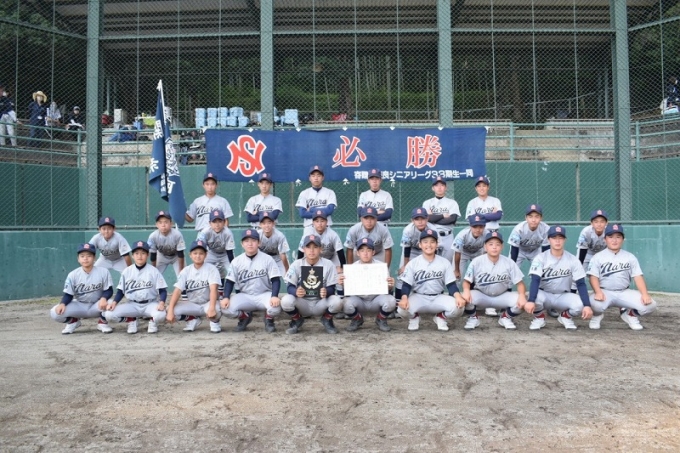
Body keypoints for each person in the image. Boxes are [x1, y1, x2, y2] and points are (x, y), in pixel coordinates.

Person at [587, 223, 657, 330]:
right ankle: (597, 316)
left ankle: (630, 315)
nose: (614, 240)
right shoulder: (597, 257)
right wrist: (598, 292)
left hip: (624, 292)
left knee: (651, 305)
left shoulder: (630, 257)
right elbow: (593, 277)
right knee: (594, 304)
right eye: (611, 237)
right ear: (605, 239)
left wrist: (645, 294)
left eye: (618, 237)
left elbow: (638, 276)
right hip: (605, 291)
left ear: (623, 240)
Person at [525, 225, 593, 330]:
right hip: (544, 294)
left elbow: (580, 283)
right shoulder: (540, 258)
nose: (557, 241)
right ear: (548, 240)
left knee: (580, 305)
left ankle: (565, 317)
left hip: (563, 295)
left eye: (560, 238)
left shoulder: (573, 259)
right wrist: (531, 300)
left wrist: (587, 305)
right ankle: (539, 317)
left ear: (565, 240)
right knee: (534, 298)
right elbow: (535, 280)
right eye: (554, 238)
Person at [396, 228, 466, 331]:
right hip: (419, 297)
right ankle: (414, 317)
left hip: (438, 297)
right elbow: (406, 285)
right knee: (401, 309)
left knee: (459, 307)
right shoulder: (413, 263)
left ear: (437, 244)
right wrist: (404, 298)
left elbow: (451, 285)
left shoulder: (444, 262)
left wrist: (458, 296)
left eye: (432, 242)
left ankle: (440, 317)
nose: (429, 245)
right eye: (425, 242)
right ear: (420, 245)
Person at [461, 231, 529, 330]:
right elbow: (466, 282)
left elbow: (520, 284)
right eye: (491, 244)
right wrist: (466, 291)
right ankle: (473, 317)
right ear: (485, 247)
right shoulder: (477, 261)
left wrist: (522, 296)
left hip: (502, 296)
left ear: (502, 247)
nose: (494, 247)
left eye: (497, 244)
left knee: (523, 301)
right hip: (482, 296)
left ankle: (506, 317)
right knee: (464, 296)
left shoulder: (509, 262)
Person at [220, 229, 283, 333]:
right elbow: (230, 281)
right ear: (242, 244)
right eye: (246, 241)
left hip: (264, 294)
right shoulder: (236, 261)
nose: (250, 244)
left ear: (259, 243)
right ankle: (245, 317)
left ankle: (268, 319)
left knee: (275, 307)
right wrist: (226, 297)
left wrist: (274, 296)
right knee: (225, 308)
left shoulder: (267, 259)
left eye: (253, 240)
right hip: (245, 296)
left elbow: (276, 279)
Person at [281, 234, 344, 334]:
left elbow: (332, 288)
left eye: (315, 247)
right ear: (303, 249)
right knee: (286, 300)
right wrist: (295, 291)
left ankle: (326, 319)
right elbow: (289, 287)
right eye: (308, 247)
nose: (311, 250)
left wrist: (326, 291)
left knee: (337, 301)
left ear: (321, 249)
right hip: (303, 302)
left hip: (320, 302)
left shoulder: (328, 264)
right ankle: (297, 320)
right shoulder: (297, 264)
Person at [104, 240, 168, 334]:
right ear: (132, 256)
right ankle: (131, 320)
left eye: (143, 253)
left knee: (161, 315)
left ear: (148, 255)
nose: (140, 256)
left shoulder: (154, 271)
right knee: (109, 315)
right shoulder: (127, 271)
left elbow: (162, 290)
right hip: (132, 305)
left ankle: (153, 322)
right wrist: (114, 303)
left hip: (150, 304)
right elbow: (121, 291)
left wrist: (161, 303)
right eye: (137, 253)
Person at [49, 243, 114, 334]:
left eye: (89, 256)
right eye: (82, 256)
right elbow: (68, 294)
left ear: (94, 258)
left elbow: (109, 290)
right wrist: (63, 303)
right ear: (78, 259)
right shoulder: (73, 275)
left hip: (97, 305)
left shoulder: (103, 271)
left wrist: (104, 298)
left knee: (111, 303)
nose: (85, 258)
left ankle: (102, 323)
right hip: (80, 305)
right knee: (54, 312)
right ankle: (73, 322)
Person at [465, 175, 503, 316]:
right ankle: (473, 300)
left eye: (484, 185)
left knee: (491, 269)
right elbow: (471, 219)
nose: (482, 188)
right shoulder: (472, 202)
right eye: (479, 186)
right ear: (476, 188)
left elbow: (498, 216)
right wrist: (489, 215)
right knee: (478, 268)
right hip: (479, 235)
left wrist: (480, 216)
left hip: (493, 235)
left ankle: (490, 304)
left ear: (488, 187)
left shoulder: (495, 200)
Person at [165, 240, 222, 333]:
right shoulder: (186, 271)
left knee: (217, 308)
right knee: (169, 310)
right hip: (192, 304)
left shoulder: (211, 269)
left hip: (208, 303)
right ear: (190, 255)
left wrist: (211, 308)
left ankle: (214, 322)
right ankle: (192, 319)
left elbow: (213, 289)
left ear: (206, 255)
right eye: (195, 253)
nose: (198, 256)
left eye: (201, 253)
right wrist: (171, 310)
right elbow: (177, 291)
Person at [340, 238, 395, 332]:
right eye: (362, 250)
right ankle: (357, 319)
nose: (365, 253)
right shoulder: (352, 268)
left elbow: (387, 288)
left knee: (391, 301)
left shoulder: (381, 266)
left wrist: (390, 285)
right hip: (359, 300)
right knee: (344, 303)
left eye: (368, 250)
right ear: (357, 253)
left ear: (373, 252)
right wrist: (343, 284)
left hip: (376, 300)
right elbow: (347, 290)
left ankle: (381, 319)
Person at [394, 207, 438, 300]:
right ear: (412, 220)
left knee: (431, 273)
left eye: (422, 218)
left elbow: (435, 248)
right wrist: (405, 265)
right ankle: (398, 301)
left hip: (427, 251)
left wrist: (434, 262)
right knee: (402, 275)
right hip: (412, 251)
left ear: (427, 219)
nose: (420, 221)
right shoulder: (408, 230)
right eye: (417, 219)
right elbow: (406, 248)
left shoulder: (433, 229)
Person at [197, 209, 235, 296]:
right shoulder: (205, 232)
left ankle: (232, 294)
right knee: (202, 270)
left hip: (225, 254)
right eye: (214, 222)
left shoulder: (227, 233)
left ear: (224, 222)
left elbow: (229, 252)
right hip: (211, 253)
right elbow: (200, 247)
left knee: (233, 272)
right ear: (210, 223)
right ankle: (202, 292)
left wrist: (232, 266)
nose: (217, 224)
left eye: (220, 221)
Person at [422, 176, 460, 261]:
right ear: (433, 188)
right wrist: (442, 215)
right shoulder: (427, 203)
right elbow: (427, 219)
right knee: (431, 261)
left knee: (448, 262)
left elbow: (452, 219)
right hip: (432, 236)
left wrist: (433, 217)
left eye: (442, 185)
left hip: (448, 236)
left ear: (446, 188)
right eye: (436, 185)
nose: (439, 187)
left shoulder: (452, 203)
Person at [508, 204, 550, 268]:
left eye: (537, 216)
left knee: (542, 269)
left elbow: (546, 249)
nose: (533, 220)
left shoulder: (545, 229)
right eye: (530, 216)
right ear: (526, 218)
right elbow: (514, 249)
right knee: (511, 268)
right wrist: (512, 267)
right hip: (520, 250)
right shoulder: (519, 229)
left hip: (535, 251)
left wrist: (544, 265)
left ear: (541, 218)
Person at [148, 210, 185, 278]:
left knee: (183, 276)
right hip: (161, 256)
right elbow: (153, 255)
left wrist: (181, 270)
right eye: (160, 222)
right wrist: (154, 270)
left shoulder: (177, 234)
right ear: (156, 225)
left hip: (176, 256)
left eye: (166, 222)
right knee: (153, 276)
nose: (163, 225)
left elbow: (181, 254)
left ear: (171, 223)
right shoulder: (153, 236)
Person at [452, 214, 487, 282]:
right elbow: (457, 252)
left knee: (480, 274)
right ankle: (456, 288)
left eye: (480, 227)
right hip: (463, 253)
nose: (478, 230)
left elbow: (487, 251)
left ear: (484, 226)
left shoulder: (487, 234)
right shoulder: (462, 235)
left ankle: (475, 287)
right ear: (470, 226)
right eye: (475, 227)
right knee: (456, 277)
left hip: (477, 252)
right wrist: (457, 270)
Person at [258, 211, 290, 276]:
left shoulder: (279, 236)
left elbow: (283, 255)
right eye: (264, 223)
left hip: (277, 258)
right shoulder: (257, 235)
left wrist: (287, 270)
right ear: (260, 225)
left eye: (269, 222)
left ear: (273, 224)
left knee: (286, 276)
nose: (267, 225)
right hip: (262, 259)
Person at [0, 83, 17, 147]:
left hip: (8, 116)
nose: (2, 92)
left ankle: (14, 145)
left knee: (11, 131)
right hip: (1, 117)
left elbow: (10, 109)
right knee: (1, 132)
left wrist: (16, 120)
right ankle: (2, 145)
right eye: (1, 91)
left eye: (2, 91)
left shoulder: (6, 99)